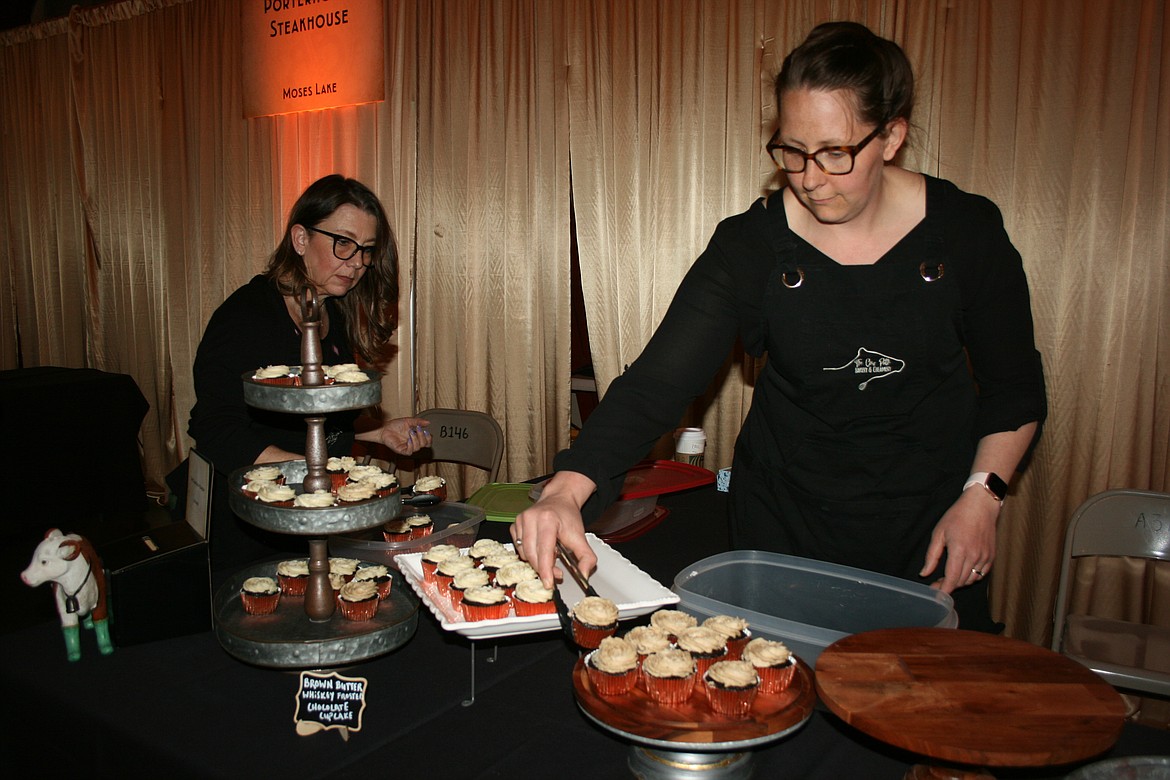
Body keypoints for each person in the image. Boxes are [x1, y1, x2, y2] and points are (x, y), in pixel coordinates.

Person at [512, 22, 1046, 631]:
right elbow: (660, 381)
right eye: (791, 151)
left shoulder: (967, 231)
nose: (810, 177)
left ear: (892, 135)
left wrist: (984, 496)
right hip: (785, 523)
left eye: (835, 152)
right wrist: (567, 487)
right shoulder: (753, 245)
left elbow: (1014, 388)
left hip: (930, 521)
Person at [179, 174, 431, 577]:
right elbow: (217, 431)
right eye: (343, 243)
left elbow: (309, 428)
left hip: (312, 517)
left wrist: (375, 434)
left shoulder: (333, 313)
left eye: (366, 250)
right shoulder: (245, 317)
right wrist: (319, 477)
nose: (357, 263)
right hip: (249, 527)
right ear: (300, 239)